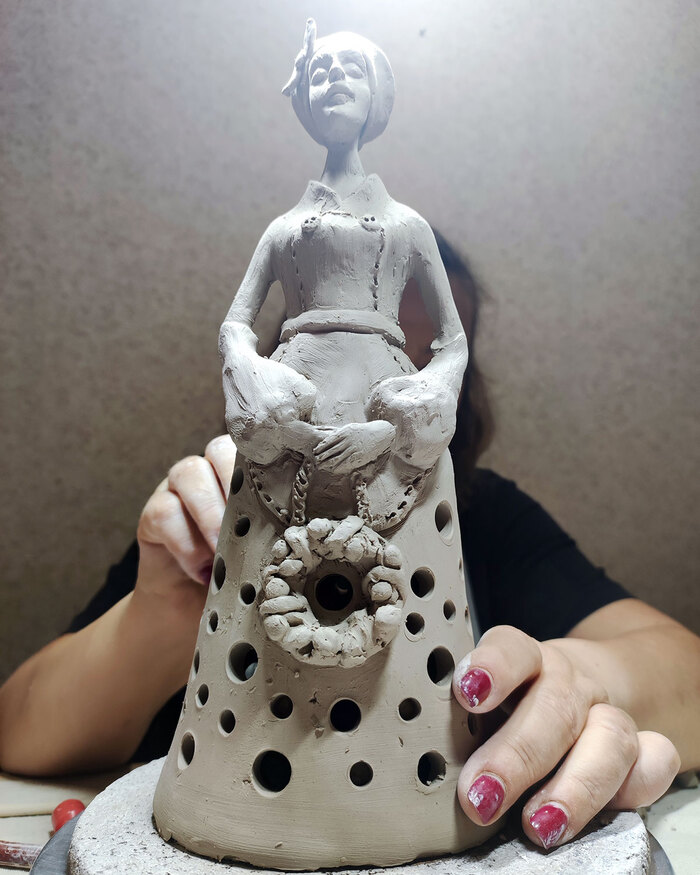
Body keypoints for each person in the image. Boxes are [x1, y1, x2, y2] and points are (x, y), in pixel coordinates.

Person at [2, 25, 700, 857]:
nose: (361, 385)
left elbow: (687, 670)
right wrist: (162, 610)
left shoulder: (488, 517)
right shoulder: (211, 514)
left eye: (398, 356)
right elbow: (18, 730)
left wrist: (584, 680)